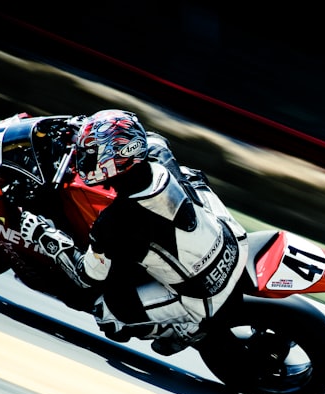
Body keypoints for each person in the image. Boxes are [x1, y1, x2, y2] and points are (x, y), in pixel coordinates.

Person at [19, 109, 249, 355]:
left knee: (109, 315)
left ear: (112, 159)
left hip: (204, 294)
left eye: (91, 154)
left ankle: (186, 329)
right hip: (234, 243)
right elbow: (146, 137)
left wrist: (45, 237)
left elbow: (88, 277)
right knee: (192, 178)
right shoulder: (157, 151)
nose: (84, 160)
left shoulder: (115, 222)